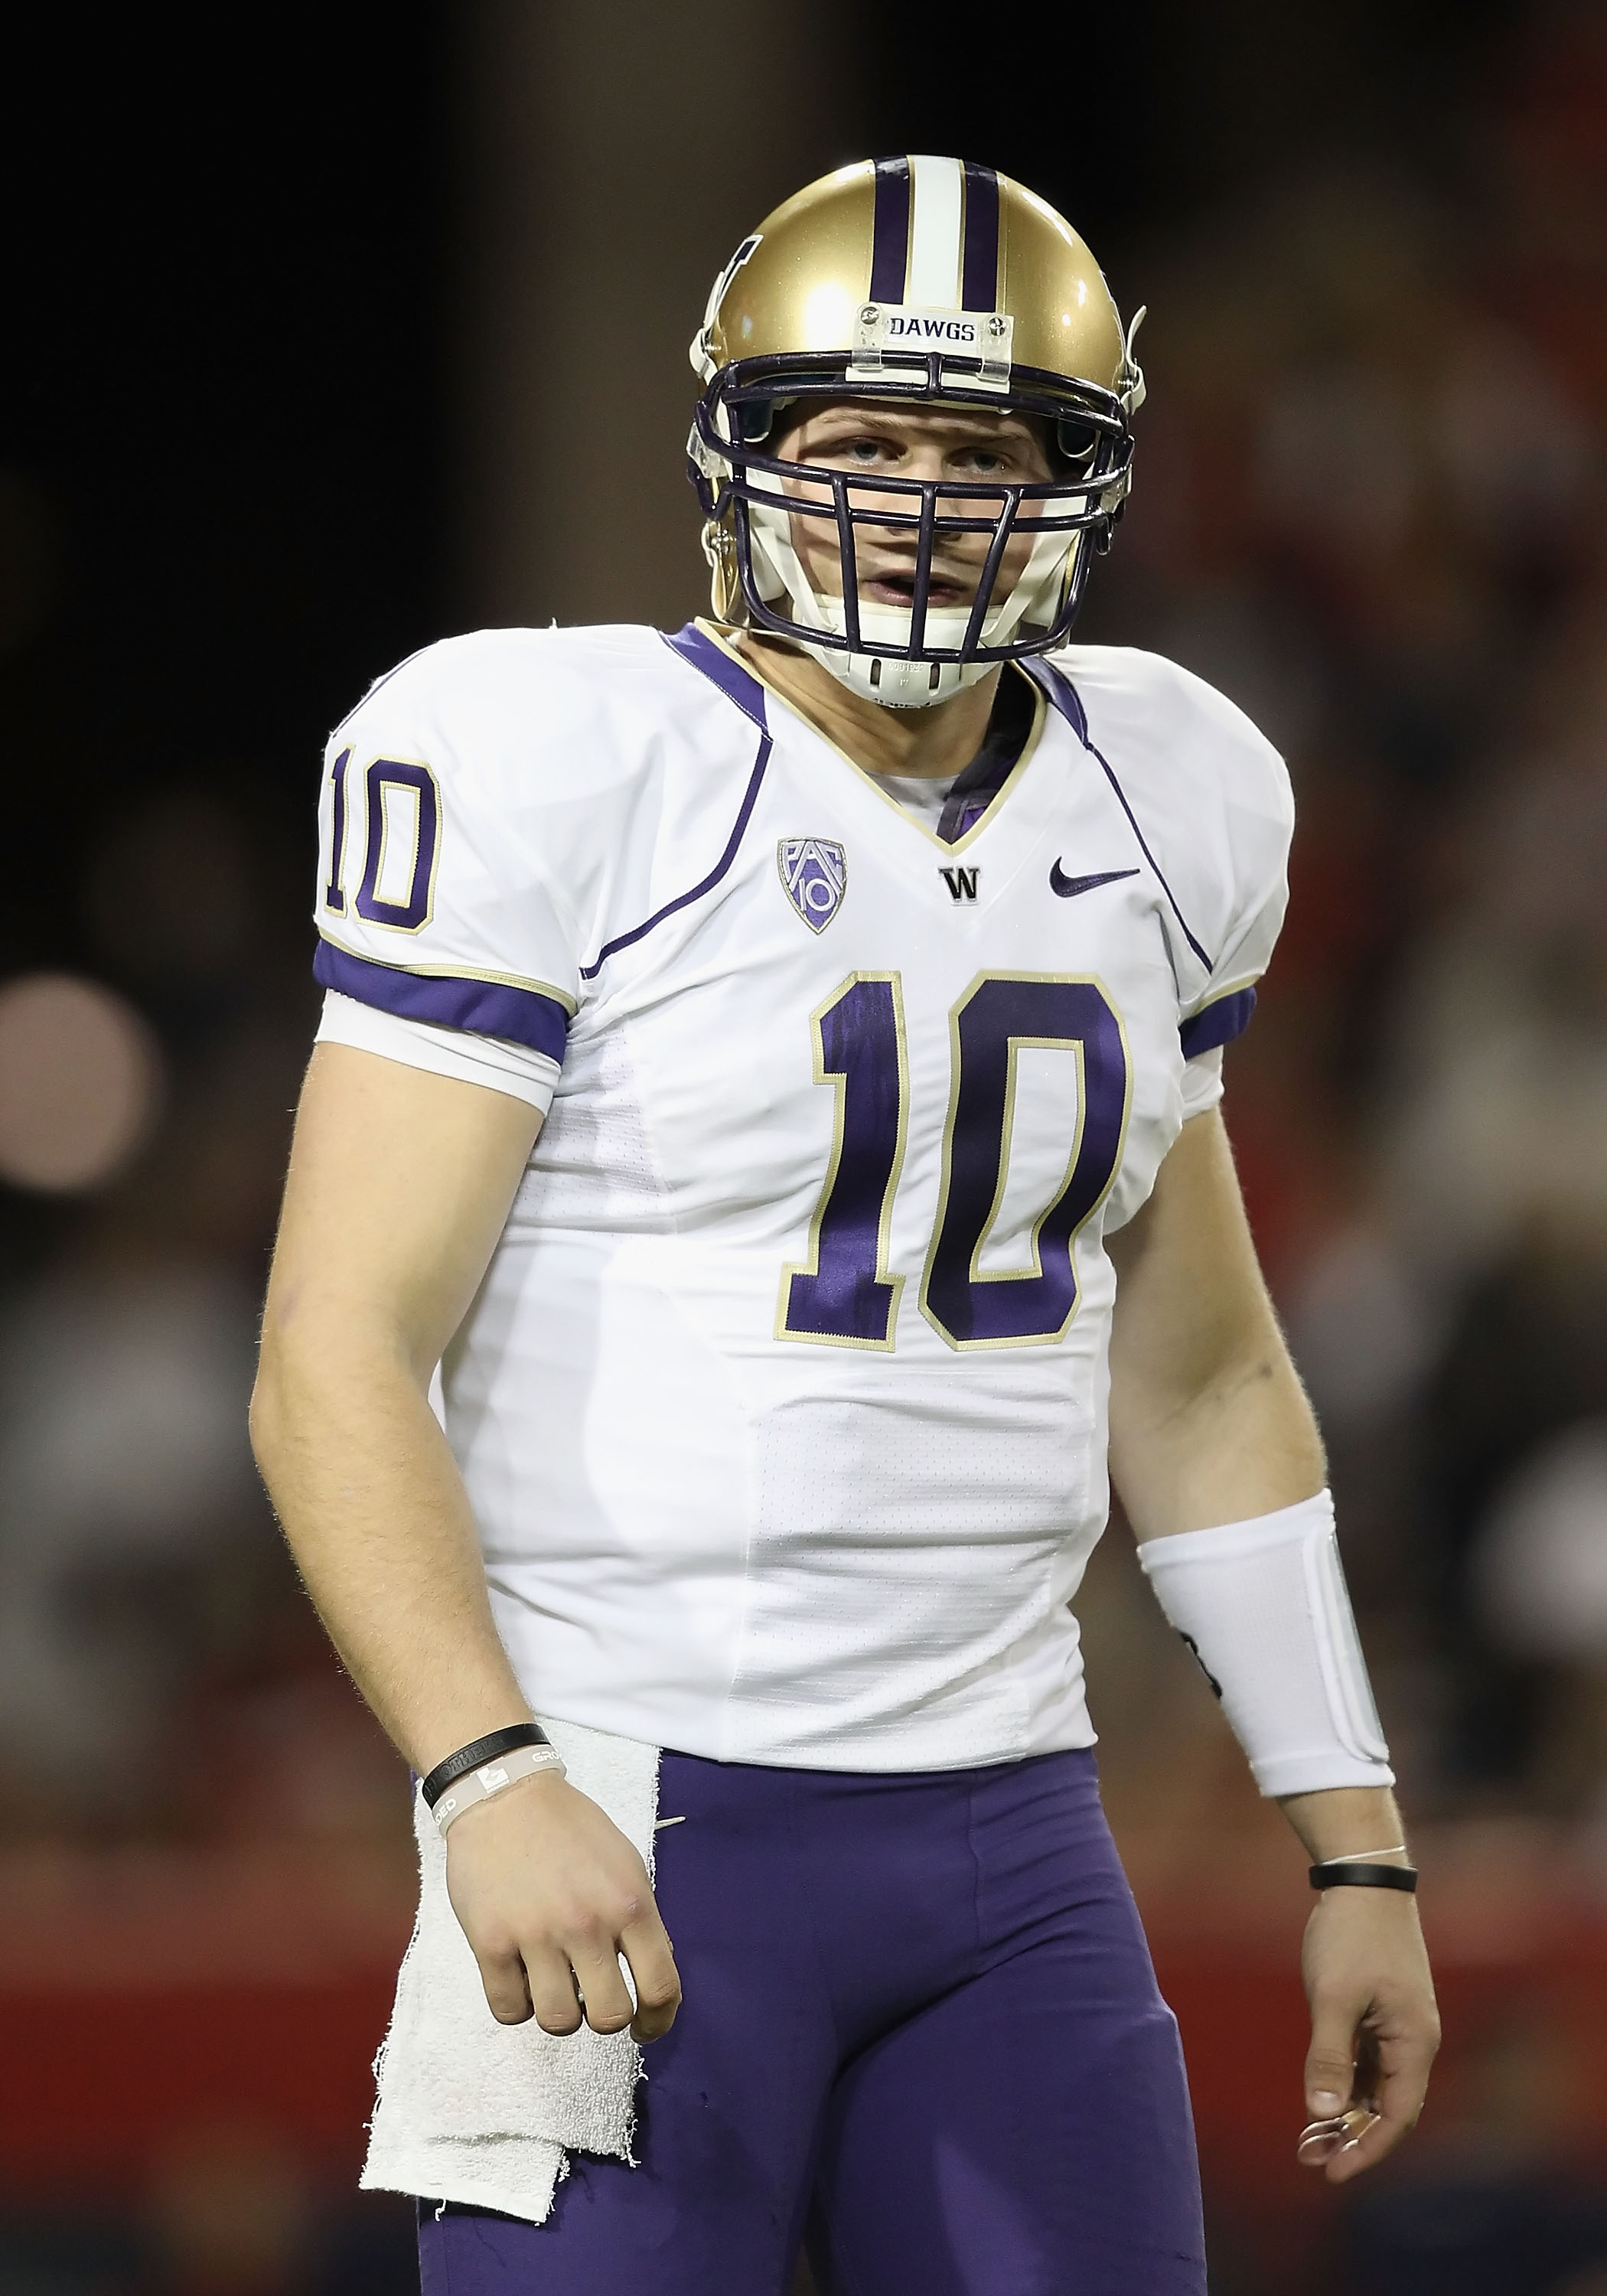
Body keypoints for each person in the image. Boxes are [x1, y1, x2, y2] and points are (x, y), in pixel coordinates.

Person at [250, 155, 1439, 2296]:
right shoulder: (558, 755)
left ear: (1072, 481)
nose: (910, 498)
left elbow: (1194, 1366)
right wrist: (483, 1772)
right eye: (856, 441)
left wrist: (1349, 1834)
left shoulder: (1166, 789)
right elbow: (338, 1339)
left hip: (1012, 1842)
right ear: (741, 463)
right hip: (624, 1805)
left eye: (974, 448)